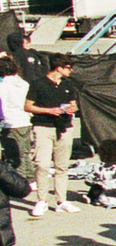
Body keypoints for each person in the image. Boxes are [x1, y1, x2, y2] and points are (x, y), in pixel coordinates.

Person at [27, 55, 82, 215]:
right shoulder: (38, 84)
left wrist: (73, 108)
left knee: (62, 166)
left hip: (64, 127)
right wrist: (48, 110)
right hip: (44, 126)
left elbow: (73, 104)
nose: (70, 71)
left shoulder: (68, 84)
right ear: (59, 68)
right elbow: (28, 106)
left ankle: (61, 200)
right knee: (42, 164)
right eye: (68, 67)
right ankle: (42, 200)